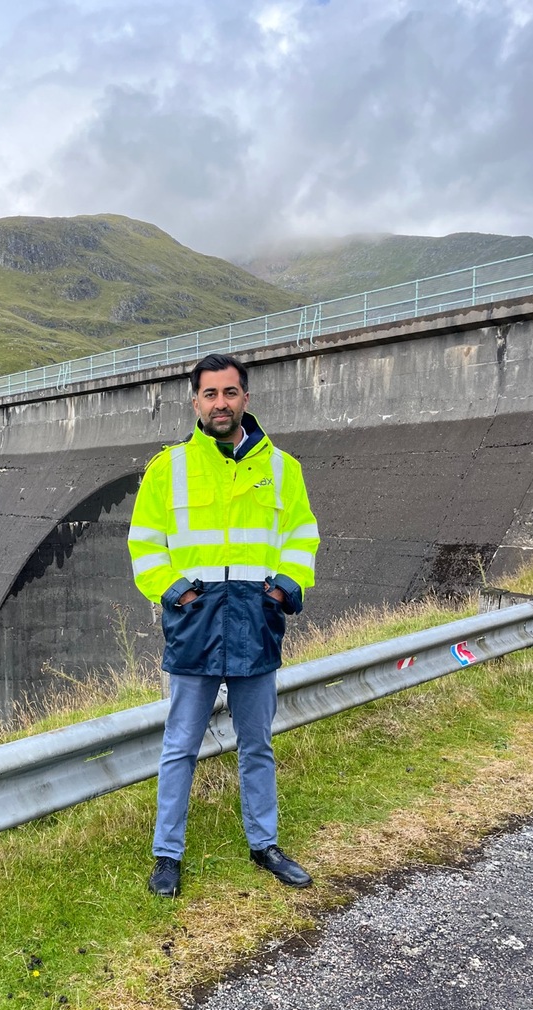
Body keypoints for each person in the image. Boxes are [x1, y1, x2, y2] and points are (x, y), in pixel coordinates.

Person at [128, 353, 319, 897]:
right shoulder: (169, 468)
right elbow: (144, 543)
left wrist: (283, 587)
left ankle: (266, 845)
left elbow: (302, 535)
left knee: (257, 743)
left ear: (246, 400)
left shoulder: (283, 469)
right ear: (196, 402)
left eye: (230, 393)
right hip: (196, 624)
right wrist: (177, 593)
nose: (220, 403)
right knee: (180, 746)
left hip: (255, 623)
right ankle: (168, 855)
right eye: (210, 394)